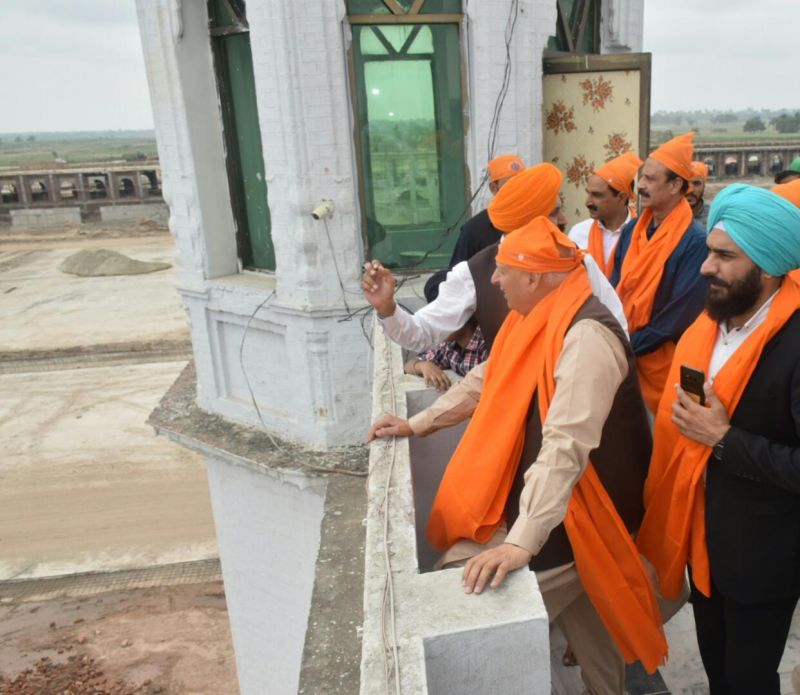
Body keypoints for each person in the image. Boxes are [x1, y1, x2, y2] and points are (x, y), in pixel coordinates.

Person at [368, 217, 664, 695]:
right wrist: (418, 424)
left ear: (536, 277)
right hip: (565, 509)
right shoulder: (535, 319)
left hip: (586, 513)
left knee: (468, 590)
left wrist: (522, 542)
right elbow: (484, 382)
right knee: (591, 630)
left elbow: (564, 447)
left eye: (504, 271)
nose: (495, 280)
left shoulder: (587, 337)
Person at [636, 184, 800, 695]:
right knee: (718, 676)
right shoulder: (711, 326)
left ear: (769, 268)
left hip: (762, 562)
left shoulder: (793, 342)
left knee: (748, 682)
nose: (706, 267)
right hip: (701, 543)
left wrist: (723, 438)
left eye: (724, 256)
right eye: (710, 251)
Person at [362, 163, 627, 355]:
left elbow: (617, 328)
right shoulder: (475, 272)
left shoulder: (579, 262)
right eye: (555, 212)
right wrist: (387, 309)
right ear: (531, 222)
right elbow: (422, 334)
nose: (564, 220)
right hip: (514, 410)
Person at [610, 132, 708, 413]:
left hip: (662, 365)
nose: (640, 185)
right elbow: (615, 288)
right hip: (625, 354)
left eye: (650, 179)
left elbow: (675, 319)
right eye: (643, 177)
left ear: (676, 185)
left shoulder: (695, 243)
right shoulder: (632, 231)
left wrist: (624, 346)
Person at [568, 151, 642, 278]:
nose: (588, 202)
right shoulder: (578, 233)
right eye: (588, 193)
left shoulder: (643, 234)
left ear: (621, 197)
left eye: (597, 195)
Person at [404, 318, 487, 391]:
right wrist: (424, 366)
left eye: (445, 320)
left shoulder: (485, 348)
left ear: (463, 320)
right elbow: (408, 366)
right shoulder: (449, 346)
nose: (438, 327)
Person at [687, 160, 710, 229]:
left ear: (704, 186)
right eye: (685, 184)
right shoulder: (665, 215)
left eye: (696, 183)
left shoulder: (713, 217)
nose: (690, 190)